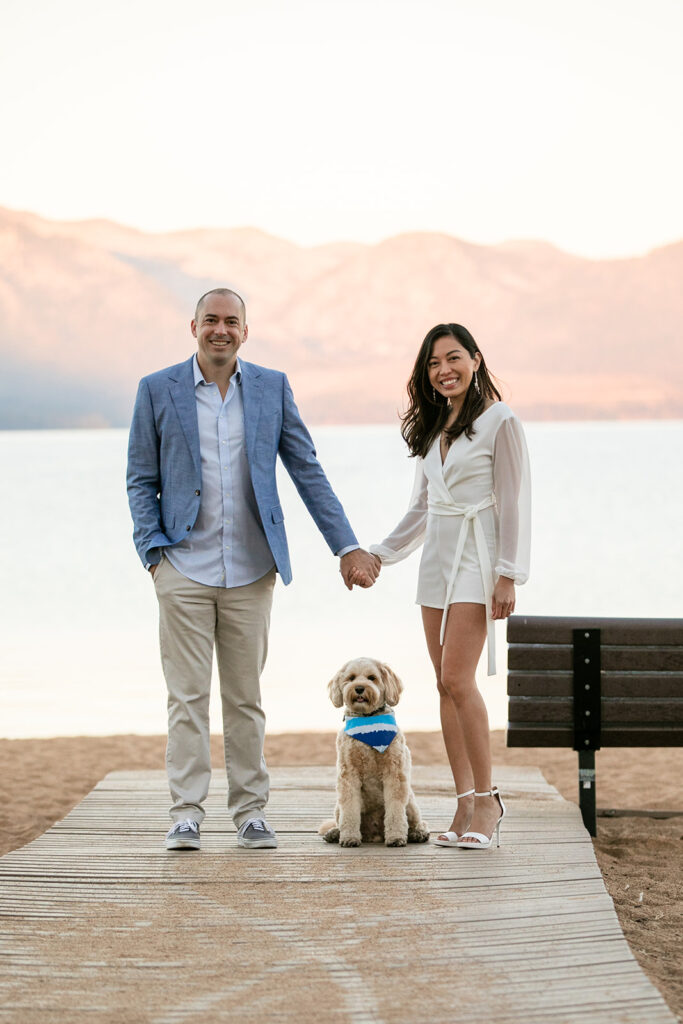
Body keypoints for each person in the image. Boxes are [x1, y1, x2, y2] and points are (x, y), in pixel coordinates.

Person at [127, 288, 379, 851]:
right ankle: (186, 814)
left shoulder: (271, 387)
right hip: (181, 568)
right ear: (192, 326)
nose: (221, 329)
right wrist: (152, 553)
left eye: (231, 321)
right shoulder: (155, 389)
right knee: (186, 698)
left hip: (251, 569)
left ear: (246, 329)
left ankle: (250, 814)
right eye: (211, 320)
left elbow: (306, 469)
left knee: (245, 698)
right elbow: (141, 478)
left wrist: (346, 546)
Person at [352, 323, 530, 850]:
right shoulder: (433, 430)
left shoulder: (501, 420)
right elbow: (422, 509)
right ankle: (462, 801)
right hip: (437, 564)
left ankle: (488, 801)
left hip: (479, 562)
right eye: (433, 363)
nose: (444, 370)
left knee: (459, 679)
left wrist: (508, 574)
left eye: (453, 358)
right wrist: (378, 555)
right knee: (442, 686)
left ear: (475, 360)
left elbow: (514, 502)